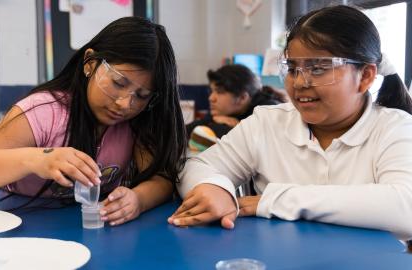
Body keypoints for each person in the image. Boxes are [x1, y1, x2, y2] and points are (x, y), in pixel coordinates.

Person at [169, 5, 412, 241]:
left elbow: (405, 208)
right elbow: (194, 166)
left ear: (365, 76)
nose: (299, 83)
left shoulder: (395, 128)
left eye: (318, 69)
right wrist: (215, 187)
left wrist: (273, 200)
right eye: (292, 68)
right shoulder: (267, 123)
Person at [0, 17, 187, 226]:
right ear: (90, 63)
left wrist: (138, 199)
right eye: (118, 83)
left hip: (89, 229)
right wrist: (38, 158)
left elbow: (162, 179)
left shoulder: (137, 122)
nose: (125, 104)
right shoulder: (43, 111)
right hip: (19, 223)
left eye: (142, 96)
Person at [186, 64, 287, 140]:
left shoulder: (268, 110)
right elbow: (186, 131)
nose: (211, 98)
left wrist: (235, 127)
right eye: (212, 91)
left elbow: (253, 145)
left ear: (242, 98)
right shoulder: (222, 112)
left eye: (219, 92)